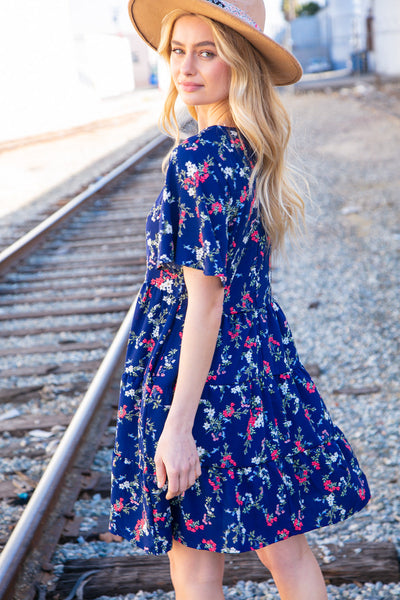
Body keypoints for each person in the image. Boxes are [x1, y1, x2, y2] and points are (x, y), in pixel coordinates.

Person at [110, 1, 370, 598]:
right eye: (178, 51)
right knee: (286, 547)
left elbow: (204, 303)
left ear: (239, 65)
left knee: (195, 555)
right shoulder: (243, 150)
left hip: (203, 380)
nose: (187, 67)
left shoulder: (199, 159)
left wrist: (177, 427)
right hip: (257, 365)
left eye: (208, 52)